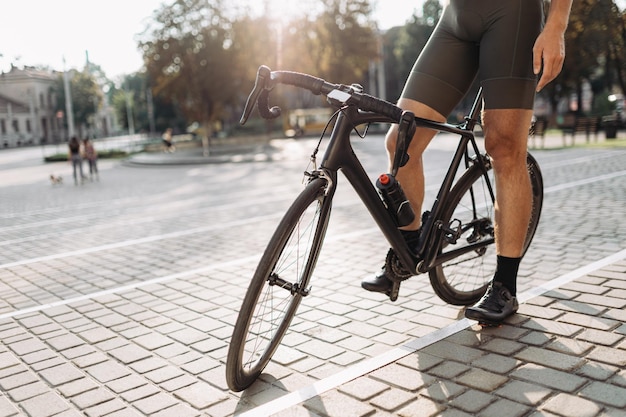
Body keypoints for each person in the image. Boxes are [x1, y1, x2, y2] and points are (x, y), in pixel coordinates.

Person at [362, 0, 573, 325]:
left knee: (503, 146)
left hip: (513, 14)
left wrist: (556, 24)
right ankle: (407, 249)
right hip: (457, 17)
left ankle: (504, 286)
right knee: (401, 139)